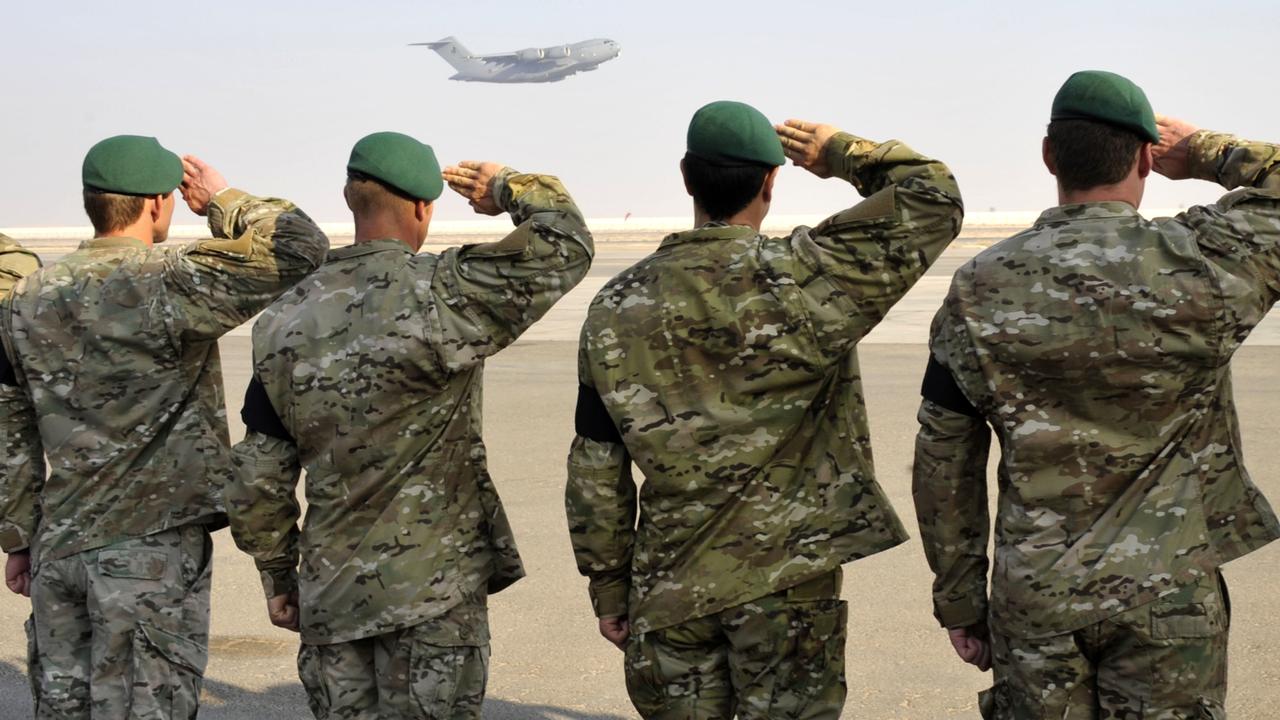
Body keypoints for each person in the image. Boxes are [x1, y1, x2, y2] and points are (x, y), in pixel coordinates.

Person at [566, 100, 964, 718]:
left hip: (669, 580)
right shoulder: (803, 277)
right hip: (786, 581)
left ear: (685, 176)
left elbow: (596, 466)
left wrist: (609, 586)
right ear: (771, 181)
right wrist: (839, 152)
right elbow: (933, 196)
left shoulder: (616, 306)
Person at [912, 70, 1280, 718]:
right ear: (1145, 157)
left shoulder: (979, 287)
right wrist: (1206, 152)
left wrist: (961, 599)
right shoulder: (1202, 263)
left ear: (1049, 155)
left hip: (1036, 601)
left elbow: (944, 459)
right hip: (1168, 597)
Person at [225, 131, 594, 719]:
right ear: (423, 207)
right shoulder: (443, 292)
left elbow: (257, 473)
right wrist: (506, 186)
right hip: (434, 596)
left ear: (352, 200)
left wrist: (278, 573)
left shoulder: (285, 319)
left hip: (331, 594)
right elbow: (565, 242)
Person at [0, 134, 329, 718]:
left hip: (60, 548)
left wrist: (18, 536)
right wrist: (221, 199)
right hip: (147, 551)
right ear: (157, 203)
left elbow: (11, 425)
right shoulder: (168, 280)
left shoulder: (26, 297)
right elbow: (300, 246)